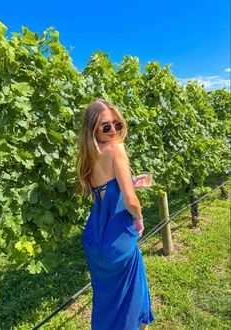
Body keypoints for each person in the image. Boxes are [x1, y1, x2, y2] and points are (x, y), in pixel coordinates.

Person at [76, 99, 155, 329]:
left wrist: (129, 182)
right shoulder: (116, 149)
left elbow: (104, 194)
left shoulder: (88, 156)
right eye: (106, 126)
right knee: (133, 301)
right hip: (118, 238)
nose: (113, 131)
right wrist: (139, 218)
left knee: (106, 304)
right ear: (93, 128)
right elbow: (130, 201)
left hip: (96, 240)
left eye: (117, 124)